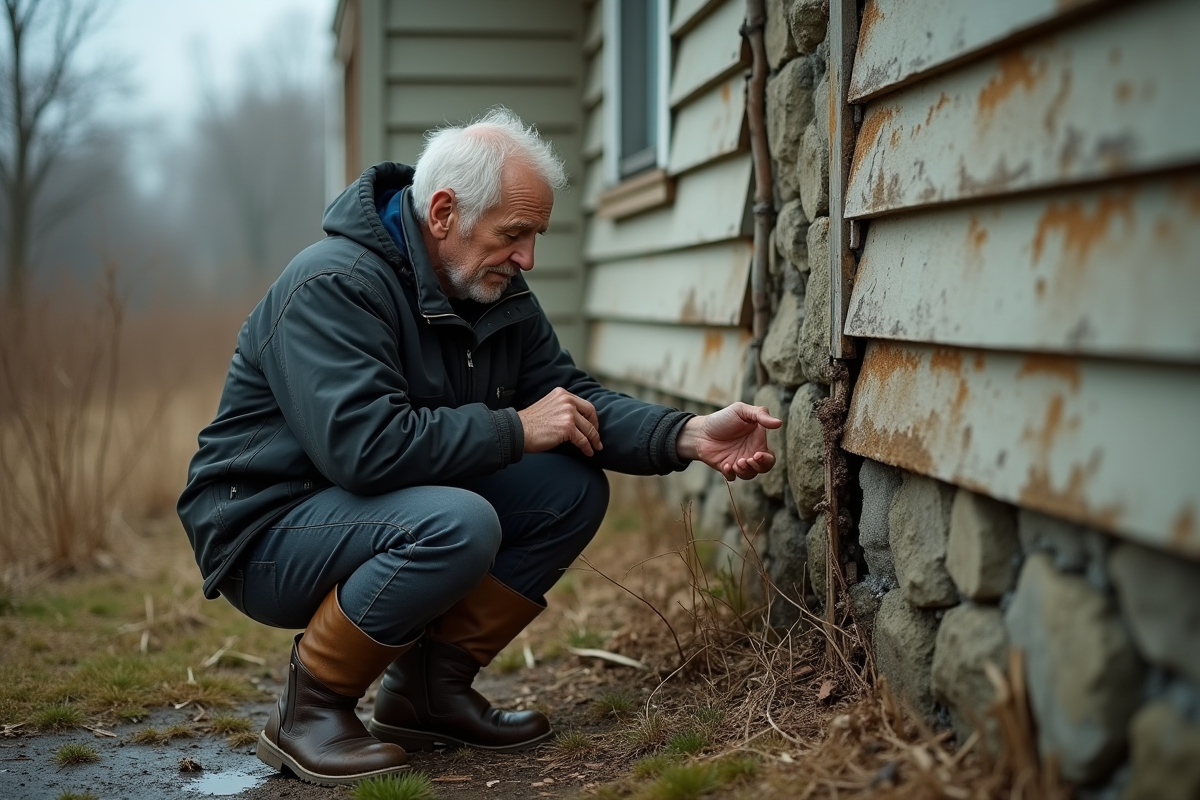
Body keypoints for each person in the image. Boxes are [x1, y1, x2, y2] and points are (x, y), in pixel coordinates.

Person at [177, 107, 781, 787]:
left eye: (536, 236)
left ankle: (428, 695)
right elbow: (364, 448)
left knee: (568, 489)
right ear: (443, 214)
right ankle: (309, 709)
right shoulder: (335, 284)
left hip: (369, 509)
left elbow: (569, 402)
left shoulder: (491, 287)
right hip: (266, 530)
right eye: (514, 234)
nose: (527, 258)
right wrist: (515, 429)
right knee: (459, 525)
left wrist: (685, 433)